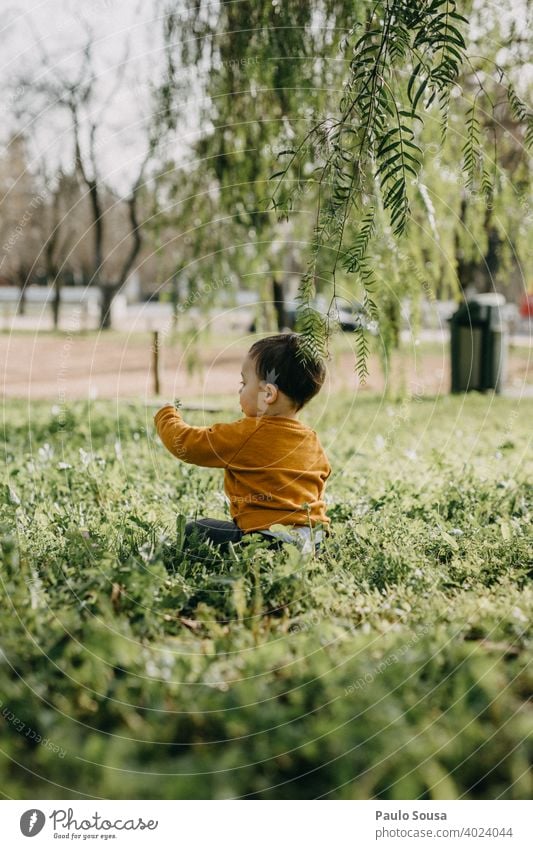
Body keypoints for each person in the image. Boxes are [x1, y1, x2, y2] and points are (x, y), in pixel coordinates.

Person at [154, 332, 331, 553]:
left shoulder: (247, 433)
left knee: (194, 530)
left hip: (267, 543)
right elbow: (320, 483)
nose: (239, 390)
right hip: (315, 541)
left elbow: (188, 445)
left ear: (268, 394)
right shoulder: (311, 440)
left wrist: (166, 416)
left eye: (244, 382)